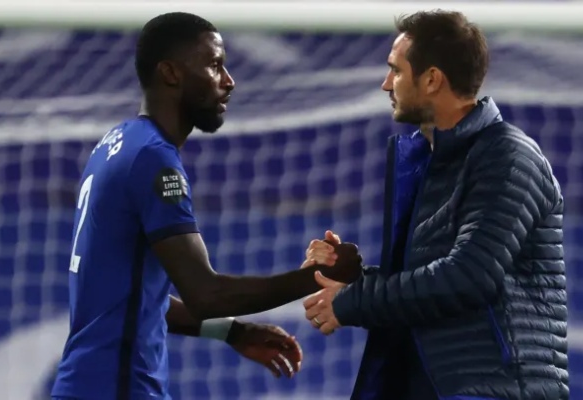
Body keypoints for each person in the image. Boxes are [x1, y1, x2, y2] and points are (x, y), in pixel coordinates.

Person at [50, 12, 362, 400]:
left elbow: (134, 298)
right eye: (214, 65)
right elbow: (206, 294)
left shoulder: (117, 143)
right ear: (171, 73)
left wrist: (233, 331)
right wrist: (320, 275)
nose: (228, 80)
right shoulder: (152, 158)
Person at [301, 10, 568, 400]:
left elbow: (469, 276)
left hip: (496, 390)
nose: (385, 84)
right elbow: (428, 280)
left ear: (431, 79)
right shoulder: (430, 161)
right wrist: (354, 278)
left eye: (395, 71)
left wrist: (353, 302)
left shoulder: (508, 156)